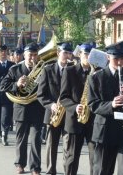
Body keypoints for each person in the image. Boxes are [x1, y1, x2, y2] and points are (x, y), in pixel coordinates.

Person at [88, 40, 123, 175]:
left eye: (122, 58)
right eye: (116, 58)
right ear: (107, 57)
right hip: (104, 129)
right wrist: (111, 104)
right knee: (102, 169)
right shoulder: (96, 77)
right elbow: (93, 104)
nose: (119, 62)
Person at [0, 43, 45, 175]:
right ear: (24, 55)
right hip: (21, 109)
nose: (32, 58)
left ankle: (35, 167)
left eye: (35, 55)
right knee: (21, 138)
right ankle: (20, 164)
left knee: (36, 139)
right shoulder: (15, 69)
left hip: (37, 108)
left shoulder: (42, 69)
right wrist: (17, 84)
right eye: (30, 55)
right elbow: (3, 86)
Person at [59, 42, 96, 175]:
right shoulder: (69, 71)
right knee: (72, 157)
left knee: (95, 158)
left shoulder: (97, 72)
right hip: (74, 120)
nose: (88, 56)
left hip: (92, 120)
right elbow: (63, 97)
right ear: (80, 55)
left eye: (91, 54)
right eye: (86, 54)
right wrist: (75, 107)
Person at [37, 42, 73, 175]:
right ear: (58, 53)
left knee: (68, 145)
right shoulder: (47, 69)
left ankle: (67, 171)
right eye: (65, 53)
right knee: (51, 144)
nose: (68, 56)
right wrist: (51, 105)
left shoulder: (73, 69)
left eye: (69, 53)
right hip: (53, 113)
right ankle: (51, 170)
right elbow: (41, 94)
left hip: (69, 113)